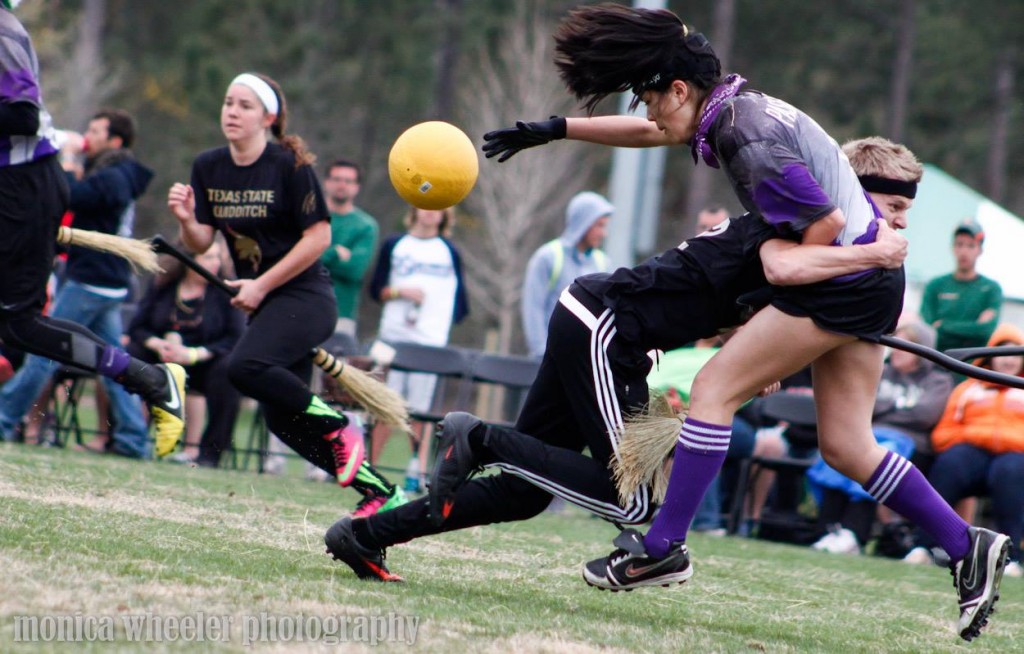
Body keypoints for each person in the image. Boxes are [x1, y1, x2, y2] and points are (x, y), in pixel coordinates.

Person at [475, 5, 1006, 641]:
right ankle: (966, 544)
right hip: (867, 283)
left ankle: (663, 546)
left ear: (680, 90)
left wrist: (802, 276)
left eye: (649, 98)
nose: (647, 114)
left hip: (849, 277)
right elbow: (654, 134)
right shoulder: (732, 108)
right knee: (847, 444)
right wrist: (559, 128)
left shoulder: (742, 137)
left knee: (713, 391)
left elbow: (820, 237)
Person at [323, 136, 908, 583]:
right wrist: (871, 262)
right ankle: (480, 439)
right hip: (604, 329)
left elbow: (746, 313)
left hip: (589, 317)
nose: (896, 224)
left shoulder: (800, 233)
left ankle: (368, 534)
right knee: (630, 498)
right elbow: (778, 277)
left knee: (524, 494)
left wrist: (764, 350)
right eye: (890, 207)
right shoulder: (792, 235)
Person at [167, 72, 405, 517]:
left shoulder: (289, 167)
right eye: (227, 103)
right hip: (266, 304)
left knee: (243, 367)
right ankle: (381, 493)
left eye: (244, 106)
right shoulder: (208, 166)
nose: (232, 112)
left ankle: (339, 424)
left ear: (268, 117)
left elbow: (317, 239)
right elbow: (201, 242)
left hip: (306, 300)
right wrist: (184, 218)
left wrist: (259, 285)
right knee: (280, 417)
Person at [0, 10, 184, 457]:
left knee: (19, 326)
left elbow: (23, 115)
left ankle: (152, 382)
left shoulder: (3, 29)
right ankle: (148, 382)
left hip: (23, 187)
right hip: (18, 186)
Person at [807, 319, 953, 554]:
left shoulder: (938, 380)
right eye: (895, 344)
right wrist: (900, 406)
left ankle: (854, 534)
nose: (896, 351)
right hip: (869, 433)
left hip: (910, 442)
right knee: (839, 457)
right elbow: (861, 401)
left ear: (920, 350)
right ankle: (827, 531)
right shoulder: (881, 370)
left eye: (905, 346)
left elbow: (925, 414)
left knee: (876, 460)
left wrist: (884, 406)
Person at [901, 324, 1024, 578]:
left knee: (1010, 472)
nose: (1009, 361)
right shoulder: (969, 389)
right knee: (950, 464)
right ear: (991, 357)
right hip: (972, 452)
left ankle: (1011, 559)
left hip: (1016, 455)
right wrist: (975, 438)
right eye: (1003, 354)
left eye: (1015, 354)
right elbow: (943, 433)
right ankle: (923, 546)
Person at [366, 205, 469, 478]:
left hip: (430, 343)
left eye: (439, 207)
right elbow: (376, 290)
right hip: (394, 338)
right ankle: (369, 468)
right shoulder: (395, 244)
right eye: (426, 205)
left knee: (422, 412)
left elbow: (461, 303)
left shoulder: (450, 251)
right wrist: (401, 292)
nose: (431, 212)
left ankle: (417, 470)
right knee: (385, 405)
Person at [126, 239, 245, 467]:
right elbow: (137, 327)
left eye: (217, 257)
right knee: (133, 353)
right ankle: (131, 440)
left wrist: (193, 354)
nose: (215, 263)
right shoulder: (163, 285)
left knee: (229, 368)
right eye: (208, 257)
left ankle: (209, 454)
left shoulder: (225, 292)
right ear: (189, 260)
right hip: (163, 361)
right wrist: (159, 345)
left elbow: (234, 337)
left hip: (204, 364)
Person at [521, 191, 611, 359]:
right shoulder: (548, 257)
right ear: (584, 222)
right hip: (550, 361)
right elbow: (533, 308)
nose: (603, 233)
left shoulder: (603, 263)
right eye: (599, 225)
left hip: (586, 364)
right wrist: (542, 354)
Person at [920, 219, 1002, 355]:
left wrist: (944, 325)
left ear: (980, 250)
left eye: (971, 246)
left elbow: (985, 330)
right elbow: (927, 330)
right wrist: (972, 327)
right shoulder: (935, 285)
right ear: (953, 247)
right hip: (935, 361)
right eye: (959, 244)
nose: (964, 251)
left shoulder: (991, 289)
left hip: (972, 366)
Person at [320, 159, 379, 339]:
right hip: (301, 307)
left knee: (336, 366)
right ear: (326, 182)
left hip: (341, 314)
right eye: (337, 179)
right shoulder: (310, 216)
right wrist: (335, 253)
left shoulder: (366, 226)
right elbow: (295, 259)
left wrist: (316, 255)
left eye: (348, 181)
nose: (342, 185)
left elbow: (355, 270)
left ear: (357, 187)